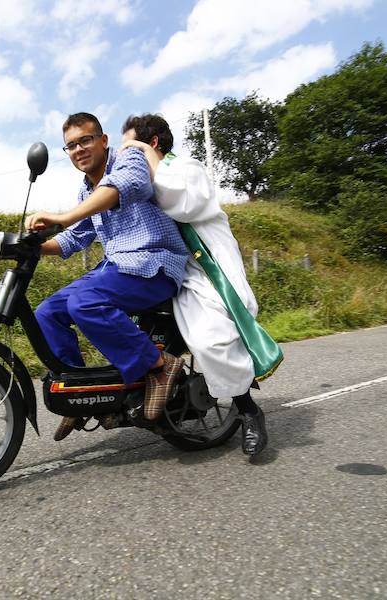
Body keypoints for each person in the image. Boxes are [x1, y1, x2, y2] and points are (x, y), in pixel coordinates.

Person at [24, 112, 190, 441]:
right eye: (71, 145)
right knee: (46, 313)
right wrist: (32, 248)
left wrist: (62, 216)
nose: (78, 149)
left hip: (153, 263)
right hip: (116, 266)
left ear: (103, 141)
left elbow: (127, 186)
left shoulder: (128, 158)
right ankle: (82, 395)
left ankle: (159, 366)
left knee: (85, 303)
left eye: (85, 140)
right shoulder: (87, 191)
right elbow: (75, 238)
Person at [120, 113, 269, 456]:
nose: (125, 155)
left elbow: (184, 205)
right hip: (168, 267)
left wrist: (148, 162)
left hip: (207, 266)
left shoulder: (186, 167)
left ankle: (248, 411)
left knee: (209, 339)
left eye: (132, 147)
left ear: (151, 143)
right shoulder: (142, 177)